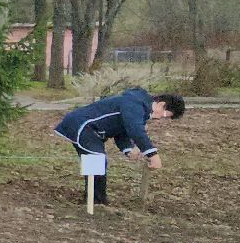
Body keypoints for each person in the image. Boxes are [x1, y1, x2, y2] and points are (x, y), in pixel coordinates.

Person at [52, 87, 185, 205]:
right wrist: (152, 154)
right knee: (96, 159)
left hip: (92, 130)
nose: (163, 117)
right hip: (82, 126)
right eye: (166, 114)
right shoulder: (135, 104)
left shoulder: (140, 108)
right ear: (162, 104)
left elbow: (122, 130)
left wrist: (127, 149)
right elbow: (135, 130)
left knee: (96, 161)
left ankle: (94, 201)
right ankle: (95, 203)